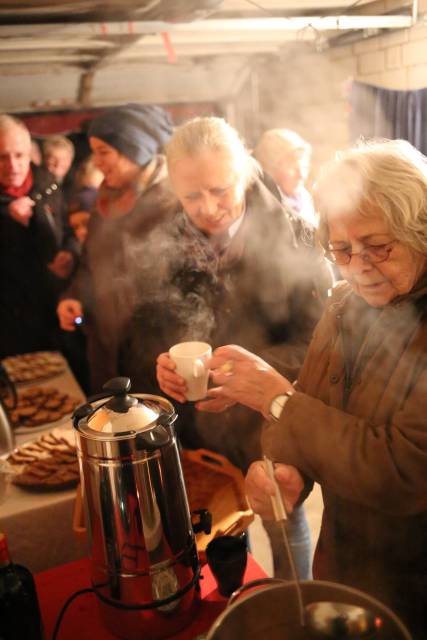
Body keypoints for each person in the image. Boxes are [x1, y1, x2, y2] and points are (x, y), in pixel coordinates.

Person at [203, 139, 427, 639]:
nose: (358, 265)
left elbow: (405, 470)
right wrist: (285, 472)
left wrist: (277, 398)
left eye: (380, 247)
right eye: (342, 249)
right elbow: (313, 404)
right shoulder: (346, 304)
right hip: (347, 561)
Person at [150, 117, 332, 580]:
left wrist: (248, 375)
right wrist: (163, 366)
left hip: (269, 420)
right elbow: (158, 324)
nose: (208, 208)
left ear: (246, 174)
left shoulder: (297, 235)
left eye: (220, 190)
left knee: (282, 522)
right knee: (224, 527)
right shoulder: (169, 243)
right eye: (191, 196)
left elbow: (321, 346)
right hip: (204, 424)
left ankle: (298, 611)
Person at [56, 103, 177, 392]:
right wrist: (74, 296)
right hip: (106, 352)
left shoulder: (172, 202)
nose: (96, 162)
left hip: (156, 359)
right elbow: (89, 261)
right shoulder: (106, 200)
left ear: (135, 149)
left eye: (104, 152)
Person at [0, 114, 77, 358]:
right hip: (7, 320)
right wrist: (5, 220)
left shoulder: (49, 183)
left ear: (30, 152)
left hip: (53, 308)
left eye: (19, 155)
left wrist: (70, 253)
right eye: (2, 157)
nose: (13, 166)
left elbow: (68, 231)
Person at [254, 129, 316, 243]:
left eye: (304, 167)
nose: (301, 175)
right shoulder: (263, 211)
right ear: (269, 169)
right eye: (292, 168)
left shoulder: (304, 198)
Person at [42, 135, 75, 205]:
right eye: (53, 158)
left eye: (64, 159)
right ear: (45, 159)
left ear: (71, 160)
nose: (59, 163)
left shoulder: (76, 183)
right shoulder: (37, 185)